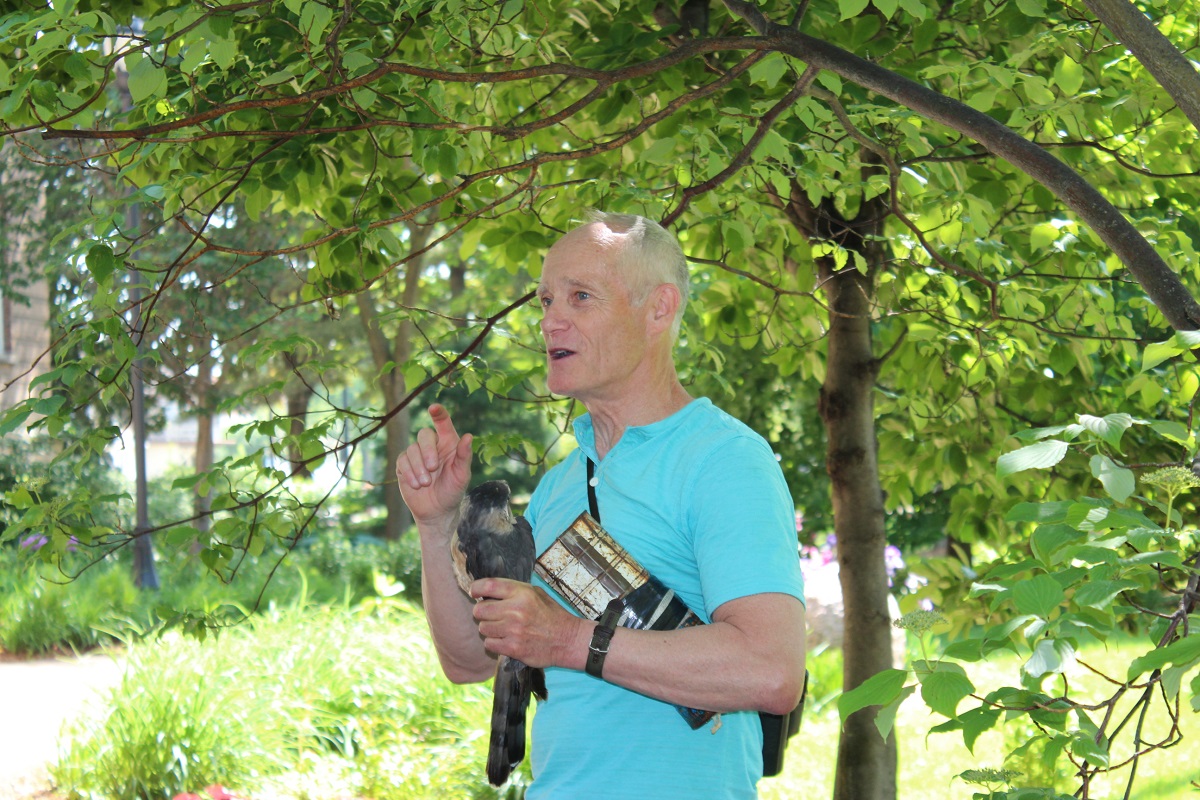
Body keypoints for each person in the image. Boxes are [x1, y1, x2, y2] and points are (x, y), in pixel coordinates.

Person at [395, 211, 807, 798]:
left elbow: (771, 671)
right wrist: (436, 525)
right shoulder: (564, 481)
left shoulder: (724, 459)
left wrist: (566, 640)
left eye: (580, 297)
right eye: (544, 301)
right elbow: (470, 662)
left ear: (659, 308)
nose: (550, 321)